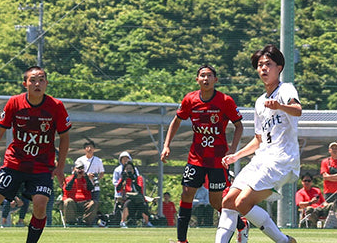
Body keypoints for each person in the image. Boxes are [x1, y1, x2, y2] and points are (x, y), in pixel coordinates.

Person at [0, 66, 71, 243]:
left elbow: (64, 137)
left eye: (41, 80)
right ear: (25, 84)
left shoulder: (56, 106)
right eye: (33, 80)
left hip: (42, 167)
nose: (37, 84)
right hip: (14, 163)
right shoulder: (14, 103)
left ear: (46, 83)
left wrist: (60, 167)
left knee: (40, 205)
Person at [215, 44, 301, 243]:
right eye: (260, 65)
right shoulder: (260, 102)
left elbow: (298, 110)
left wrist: (281, 106)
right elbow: (259, 139)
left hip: (282, 160)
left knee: (243, 202)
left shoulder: (285, 89)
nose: (263, 68)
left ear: (279, 68)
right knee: (228, 201)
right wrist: (236, 156)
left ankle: (284, 241)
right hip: (262, 159)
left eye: (268, 64)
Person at [160, 64, 244, 243]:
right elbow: (176, 121)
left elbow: (239, 125)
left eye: (209, 75)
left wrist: (232, 150)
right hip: (196, 158)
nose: (206, 79)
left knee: (216, 202)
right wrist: (166, 145)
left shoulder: (225, 100)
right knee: (186, 193)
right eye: (202, 75)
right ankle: (182, 240)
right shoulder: (190, 99)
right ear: (197, 79)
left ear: (216, 79)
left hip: (218, 160)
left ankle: (241, 224)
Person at [62, 158, 99, 226]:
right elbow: (67, 188)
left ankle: (86, 223)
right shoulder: (68, 179)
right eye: (78, 168)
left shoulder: (86, 179)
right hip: (73, 204)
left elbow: (91, 188)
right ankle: (71, 223)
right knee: (68, 201)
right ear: (74, 169)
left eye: (81, 168)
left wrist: (86, 178)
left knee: (94, 203)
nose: (80, 170)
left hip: (84, 203)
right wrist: (74, 177)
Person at [115, 161, 152, 228]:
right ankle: (123, 221)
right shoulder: (123, 179)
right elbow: (118, 189)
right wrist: (123, 179)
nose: (129, 170)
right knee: (128, 203)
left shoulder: (138, 178)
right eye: (127, 169)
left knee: (143, 205)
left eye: (130, 169)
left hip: (138, 199)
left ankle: (147, 222)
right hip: (128, 199)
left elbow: (139, 189)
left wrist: (133, 180)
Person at [320, 142, 337, 228]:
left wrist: (330, 177)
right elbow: (324, 176)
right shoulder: (325, 162)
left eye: (336, 148)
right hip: (328, 191)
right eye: (333, 148)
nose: (334, 150)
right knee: (327, 210)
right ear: (329, 150)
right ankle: (327, 227)